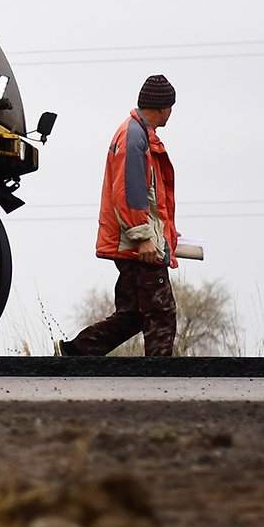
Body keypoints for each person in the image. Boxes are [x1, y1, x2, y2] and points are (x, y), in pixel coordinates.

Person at [59, 74, 180, 357]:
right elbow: (130, 193)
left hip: (135, 241)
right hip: (138, 245)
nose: (171, 113)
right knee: (161, 313)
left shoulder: (136, 134)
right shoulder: (134, 137)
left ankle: (76, 352)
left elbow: (149, 200)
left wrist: (166, 234)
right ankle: (159, 379)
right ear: (163, 107)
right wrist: (144, 238)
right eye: (171, 107)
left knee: (134, 314)